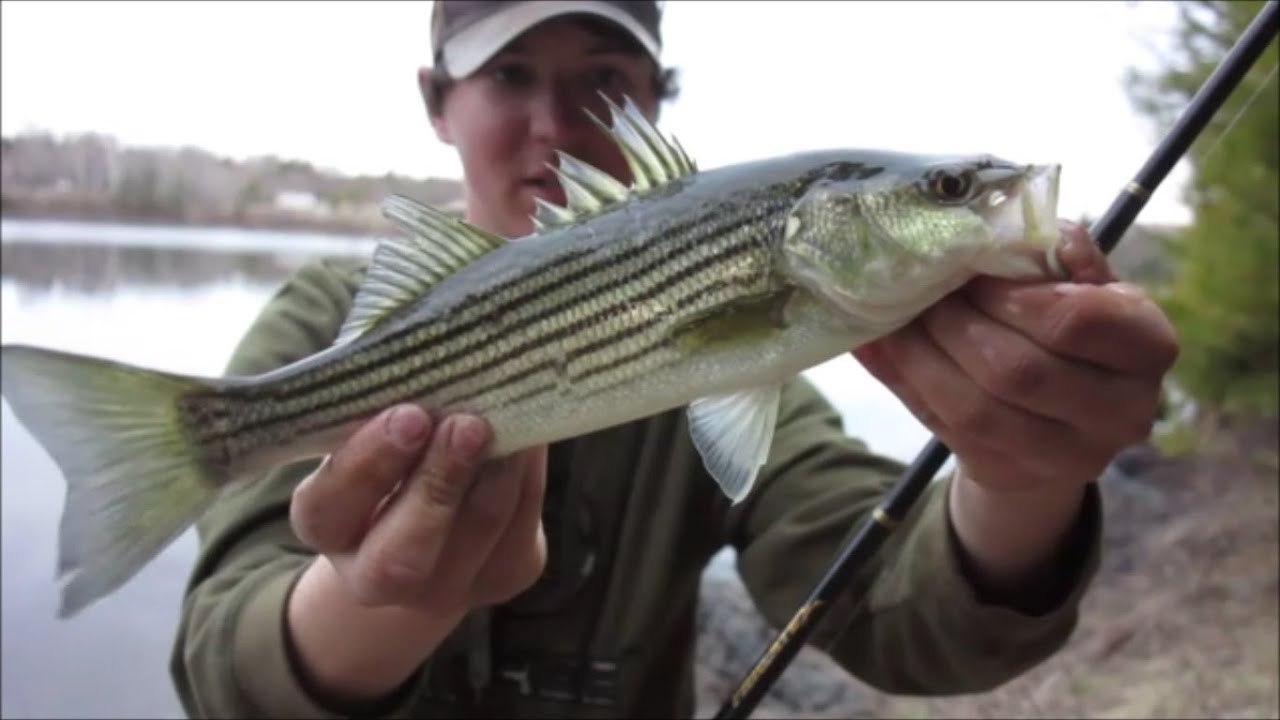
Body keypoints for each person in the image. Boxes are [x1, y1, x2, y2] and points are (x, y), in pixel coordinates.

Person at [169, 1, 1180, 717]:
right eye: (508, 75)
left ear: (655, 96)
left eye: (600, 82)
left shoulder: (764, 365)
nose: (553, 125)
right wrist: (368, 606)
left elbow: (896, 617)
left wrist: (1019, 480)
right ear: (437, 100)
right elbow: (218, 673)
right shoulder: (322, 322)